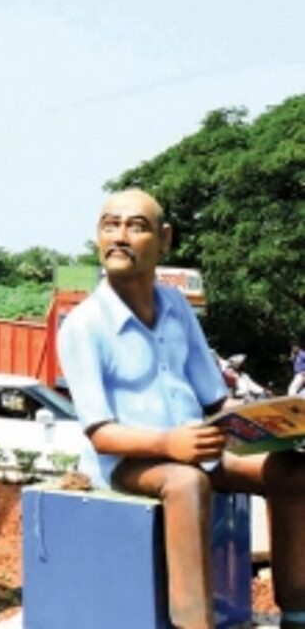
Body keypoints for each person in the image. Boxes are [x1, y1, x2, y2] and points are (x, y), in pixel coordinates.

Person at [58, 188, 305, 629]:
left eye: (136, 226)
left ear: (165, 239)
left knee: (292, 471)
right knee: (187, 484)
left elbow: (214, 399)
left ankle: (297, 612)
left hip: (197, 445)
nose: (120, 237)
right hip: (127, 461)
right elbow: (99, 431)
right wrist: (170, 444)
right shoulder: (83, 325)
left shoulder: (177, 307)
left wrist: (275, 420)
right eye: (109, 225)